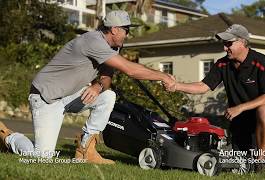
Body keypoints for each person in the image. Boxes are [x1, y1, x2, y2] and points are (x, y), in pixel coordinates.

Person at [0, 10, 175, 164]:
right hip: (46, 97)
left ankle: (85, 150)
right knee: (41, 157)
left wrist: (98, 87)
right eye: (126, 30)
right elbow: (130, 70)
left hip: (68, 95)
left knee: (108, 96)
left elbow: (106, 77)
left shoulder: (113, 48)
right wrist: (163, 76)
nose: (127, 35)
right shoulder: (93, 41)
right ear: (114, 30)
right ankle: (8, 137)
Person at [165, 24, 265, 172]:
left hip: (260, 116)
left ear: (243, 42)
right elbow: (203, 86)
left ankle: (261, 161)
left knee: (264, 110)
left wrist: (240, 107)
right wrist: (176, 86)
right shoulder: (222, 64)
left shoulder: (261, 62)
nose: (225, 48)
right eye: (224, 44)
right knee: (237, 158)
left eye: (229, 43)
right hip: (239, 120)